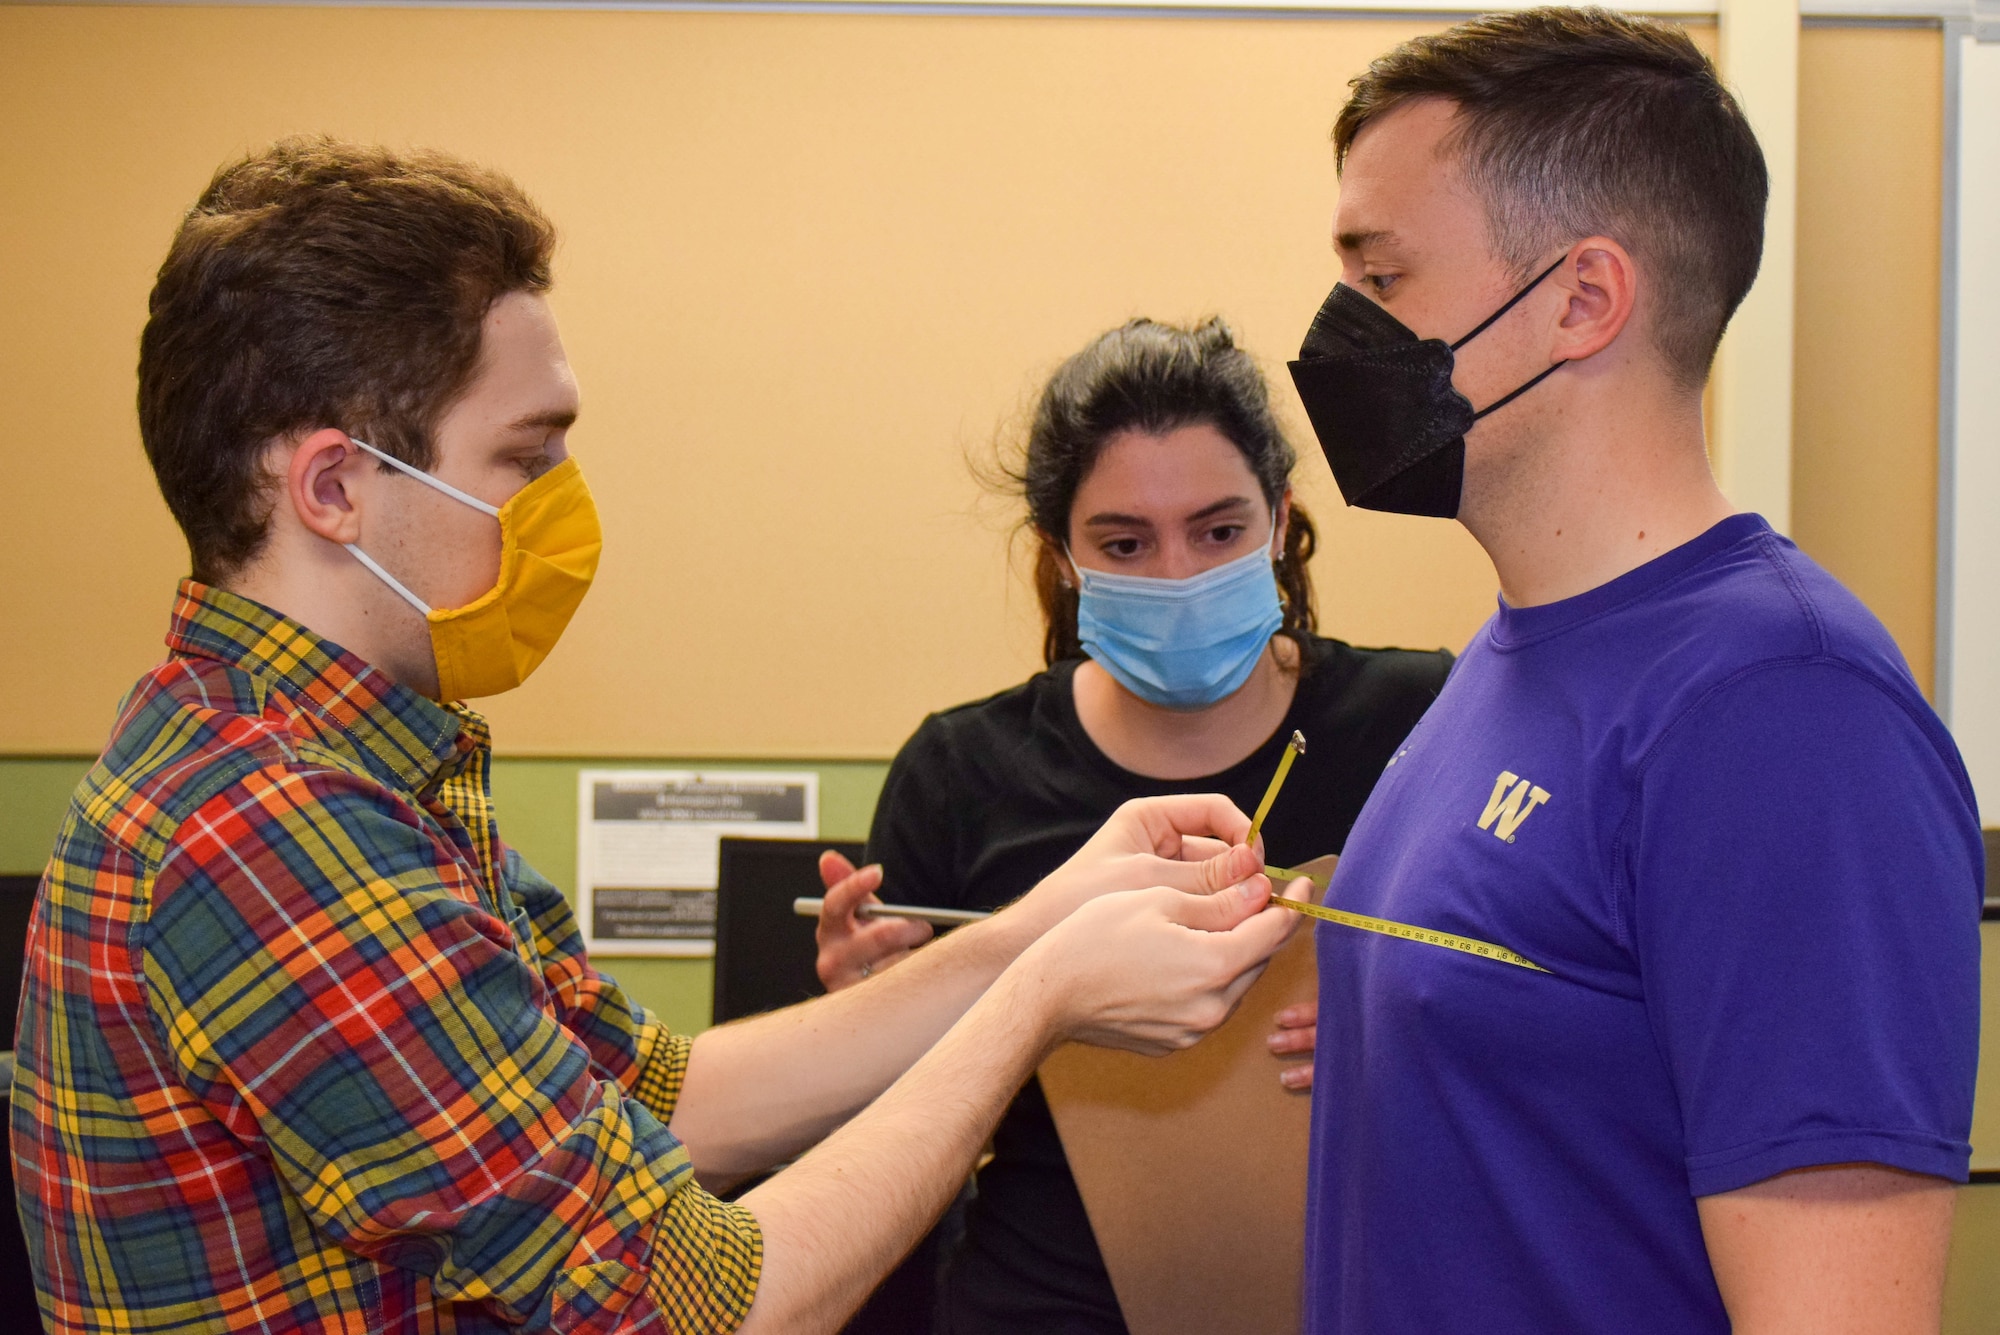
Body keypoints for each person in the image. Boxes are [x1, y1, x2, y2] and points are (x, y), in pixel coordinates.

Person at [8, 139, 1305, 1335]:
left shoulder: (364, 768)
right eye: (526, 459)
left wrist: (1040, 923)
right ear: (337, 488)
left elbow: (660, 1097)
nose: (563, 505)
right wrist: (1039, 998)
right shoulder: (266, 827)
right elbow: (706, 1304)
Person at [1276, 10, 1984, 1332]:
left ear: (1583, 301)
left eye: (1383, 279)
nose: (1338, 334)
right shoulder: (1503, 662)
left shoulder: (1782, 709)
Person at [813, 317, 1451, 1333]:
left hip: (1361, 1292)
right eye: (1122, 543)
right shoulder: (961, 771)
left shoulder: (1426, 725)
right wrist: (876, 1014)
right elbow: (894, 1141)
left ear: (1280, 521)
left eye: (1218, 530)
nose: (1177, 576)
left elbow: (1568, 1005)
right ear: (1061, 556)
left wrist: (1428, 1021)